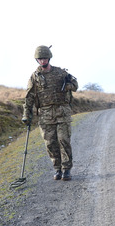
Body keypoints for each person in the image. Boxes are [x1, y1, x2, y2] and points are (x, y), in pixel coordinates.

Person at [22, 45, 78, 181]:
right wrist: (26, 114)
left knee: (63, 140)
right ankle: (57, 169)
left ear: (49, 58)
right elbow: (28, 97)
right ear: (37, 60)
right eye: (40, 59)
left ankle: (66, 170)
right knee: (50, 143)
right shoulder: (35, 77)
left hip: (62, 112)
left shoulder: (60, 73)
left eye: (45, 58)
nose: (43, 61)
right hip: (45, 115)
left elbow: (75, 85)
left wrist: (69, 86)